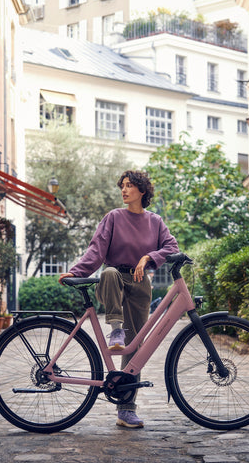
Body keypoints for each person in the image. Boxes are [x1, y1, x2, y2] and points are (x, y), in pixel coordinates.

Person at [59, 170, 179, 429]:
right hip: (112, 281)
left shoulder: (155, 222)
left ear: (142, 191)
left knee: (135, 347)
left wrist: (148, 258)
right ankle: (115, 329)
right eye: (122, 186)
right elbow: (97, 249)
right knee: (111, 271)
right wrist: (77, 271)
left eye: (129, 186)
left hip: (140, 284)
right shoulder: (113, 217)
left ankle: (126, 410)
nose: (124, 190)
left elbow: (172, 248)